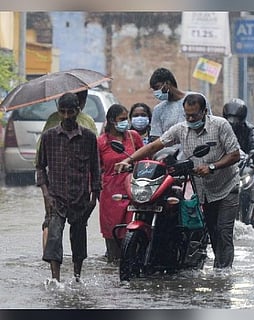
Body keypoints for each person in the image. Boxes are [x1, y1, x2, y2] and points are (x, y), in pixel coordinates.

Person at [114, 93, 240, 269]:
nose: (190, 119)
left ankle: (223, 275)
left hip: (226, 187)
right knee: (212, 231)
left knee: (224, 232)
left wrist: (212, 167)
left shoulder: (220, 125)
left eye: (194, 115)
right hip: (203, 190)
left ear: (204, 112)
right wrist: (128, 160)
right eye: (186, 115)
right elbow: (154, 146)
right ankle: (214, 264)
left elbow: (234, 155)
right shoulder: (181, 129)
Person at [36, 92, 101, 282]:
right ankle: (55, 279)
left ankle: (77, 277)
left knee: (78, 239)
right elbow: (40, 166)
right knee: (54, 238)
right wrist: (46, 194)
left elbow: (95, 168)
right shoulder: (49, 137)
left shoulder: (88, 137)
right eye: (62, 112)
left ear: (77, 111)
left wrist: (94, 198)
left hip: (80, 196)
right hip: (56, 198)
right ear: (58, 111)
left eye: (70, 112)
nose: (66, 116)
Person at [97, 104, 144, 262]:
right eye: (122, 119)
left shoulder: (133, 137)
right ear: (111, 121)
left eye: (126, 119)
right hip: (110, 194)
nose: (126, 122)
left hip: (132, 190)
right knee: (112, 235)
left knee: (134, 231)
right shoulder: (101, 142)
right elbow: (95, 169)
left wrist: (132, 166)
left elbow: (145, 159)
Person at [223, 98, 254, 231]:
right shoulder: (220, 127)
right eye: (230, 117)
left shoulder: (249, 129)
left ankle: (253, 215)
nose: (232, 121)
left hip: (243, 166)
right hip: (223, 165)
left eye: (236, 118)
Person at [149, 67, 210, 141]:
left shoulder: (197, 99)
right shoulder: (158, 110)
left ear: (167, 83)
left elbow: (209, 125)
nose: (156, 92)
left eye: (157, 88)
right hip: (170, 151)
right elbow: (156, 137)